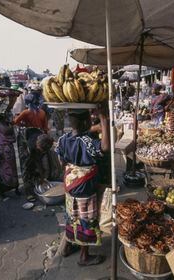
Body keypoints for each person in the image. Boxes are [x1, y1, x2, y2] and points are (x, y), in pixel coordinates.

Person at [56, 107, 110, 266]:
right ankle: (84, 256)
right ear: (86, 121)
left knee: (72, 217)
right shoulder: (87, 142)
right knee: (86, 221)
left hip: (70, 185)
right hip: (85, 188)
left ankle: (67, 247)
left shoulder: (63, 139)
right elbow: (105, 147)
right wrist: (103, 119)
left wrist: (72, 174)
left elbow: (61, 162)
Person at [0, 113, 19, 199]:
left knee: (1, 171)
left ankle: (1, 191)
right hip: (8, 149)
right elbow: (13, 138)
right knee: (11, 169)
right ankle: (14, 187)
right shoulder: (6, 126)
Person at [22, 132, 57, 202]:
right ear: (38, 146)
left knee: (41, 166)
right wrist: (41, 176)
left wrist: (42, 177)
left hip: (38, 142)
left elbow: (40, 160)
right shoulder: (30, 147)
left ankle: (39, 181)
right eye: (41, 150)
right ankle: (28, 192)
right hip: (27, 149)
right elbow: (34, 163)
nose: (42, 152)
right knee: (28, 168)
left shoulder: (46, 141)